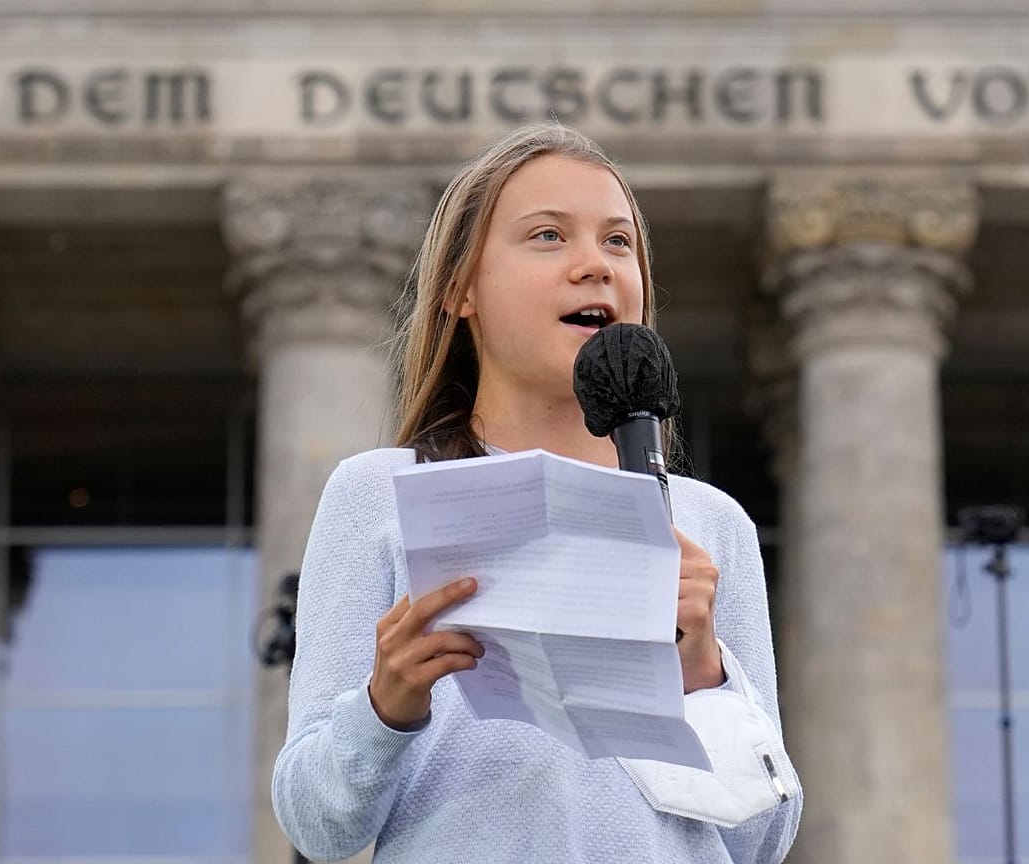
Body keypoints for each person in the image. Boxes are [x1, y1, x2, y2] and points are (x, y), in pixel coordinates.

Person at [272, 123, 801, 863]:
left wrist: (702, 671)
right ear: (461, 288)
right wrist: (384, 707)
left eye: (619, 242)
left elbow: (763, 843)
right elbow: (317, 826)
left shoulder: (713, 526)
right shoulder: (380, 493)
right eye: (549, 236)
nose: (595, 265)